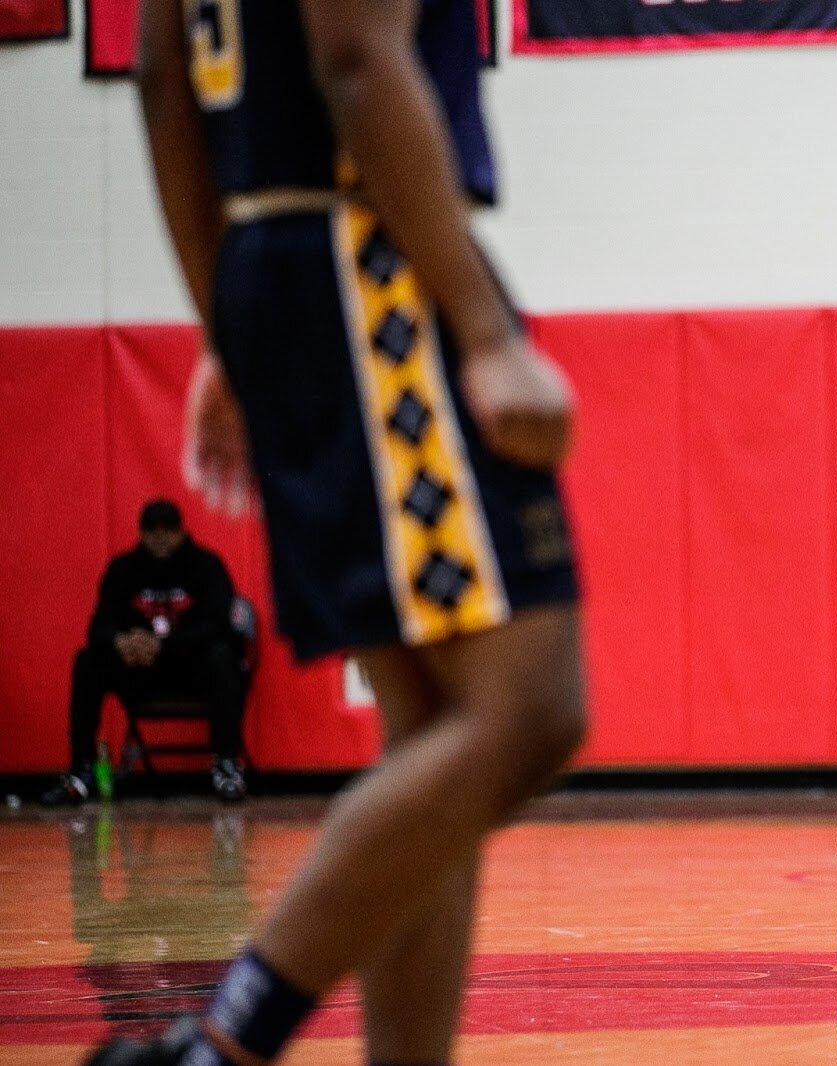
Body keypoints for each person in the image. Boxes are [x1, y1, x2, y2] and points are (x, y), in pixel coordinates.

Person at [89, 0, 585, 1061]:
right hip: (373, 268)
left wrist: (228, 322)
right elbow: (357, 58)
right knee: (530, 710)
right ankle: (219, 1044)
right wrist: (487, 331)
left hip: (287, 265)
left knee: (431, 728)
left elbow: (157, 79)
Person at [42, 499, 248, 805]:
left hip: (190, 672)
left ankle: (226, 765)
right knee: (87, 660)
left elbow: (222, 627)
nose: (161, 537)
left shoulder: (206, 566)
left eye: (169, 529)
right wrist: (120, 642)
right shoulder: (123, 569)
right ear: (141, 533)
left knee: (222, 656)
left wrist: (164, 645)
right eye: (152, 530)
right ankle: (80, 771)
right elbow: (98, 627)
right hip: (140, 673)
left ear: (181, 532)